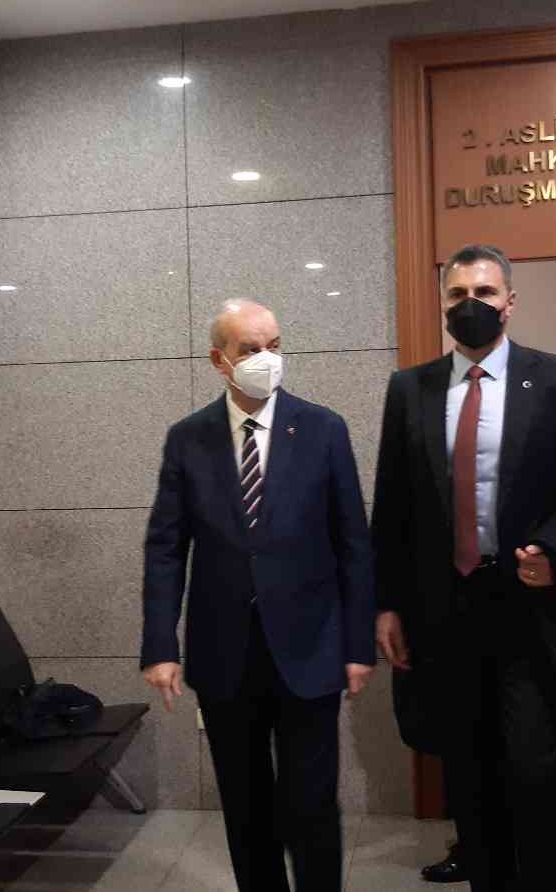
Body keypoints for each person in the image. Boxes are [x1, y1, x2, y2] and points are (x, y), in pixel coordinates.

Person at [374, 244, 556, 891]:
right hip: (446, 615)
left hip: (532, 612)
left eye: (484, 293)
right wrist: (387, 604)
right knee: (471, 780)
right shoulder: (410, 389)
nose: (471, 305)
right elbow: (394, 504)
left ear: (509, 302)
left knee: (540, 781)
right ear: (443, 305)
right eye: (457, 295)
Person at [141, 299, 375, 892]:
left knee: (311, 801)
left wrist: (357, 646)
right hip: (225, 654)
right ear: (219, 360)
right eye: (250, 349)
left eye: (274, 345)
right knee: (245, 805)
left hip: (310, 649)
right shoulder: (188, 438)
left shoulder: (323, 429)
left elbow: (353, 542)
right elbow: (166, 548)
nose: (266, 359)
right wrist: (160, 646)